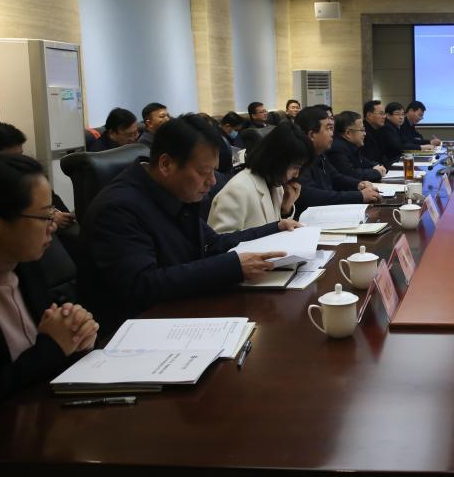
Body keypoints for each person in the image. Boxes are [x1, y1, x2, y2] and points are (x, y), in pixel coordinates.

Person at [79, 114, 299, 336]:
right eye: (204, 172)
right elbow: (144, 285)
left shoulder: (172, 190)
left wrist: (275, 228)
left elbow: (213, 243)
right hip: (140, 332)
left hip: (183, 311)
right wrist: (232, 267)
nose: (212, 181)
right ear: (166, 164)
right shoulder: (118, 209)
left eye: (214, 170)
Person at [0, 154, 98, 415]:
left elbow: (52, 348)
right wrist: (53, 348)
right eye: (45, 216)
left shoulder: (25, 265)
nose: (53, 226)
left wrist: (76, 335)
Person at [208, 122, 312, 233]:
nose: (296, 174)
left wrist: (285, 210)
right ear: (278, 160)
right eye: (295, 167)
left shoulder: (275, 185)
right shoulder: (237, 190)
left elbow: (276, 228)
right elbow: (222, 240)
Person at [0, 122, 76, 232]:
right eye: (14, 157)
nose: (20, 161)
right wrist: (50, 217)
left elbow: (53, 200)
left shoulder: (24, 174)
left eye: (20, 155)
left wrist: (57, 214)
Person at [294, 106, 381, 212]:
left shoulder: (320, 153)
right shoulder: (299, 158)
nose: (332, 134)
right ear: (312, 134)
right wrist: (359, 196)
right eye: (328, 128)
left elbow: (335, 177)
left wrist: (358, 184)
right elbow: (310, 195)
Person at [327, 111, 387, 182]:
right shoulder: (337, 149)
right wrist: (376, 172)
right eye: (362, 130)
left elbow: (363, 162)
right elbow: (350, 174)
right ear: (348, 133)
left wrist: (377, 166)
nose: (365, 134)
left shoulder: (350, 146)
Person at [360, 100, 387, 166]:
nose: (384, 117)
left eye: (384, 114)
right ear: (369, 115)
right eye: (381, 114)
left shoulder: (379, 130)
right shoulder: (363, 133)